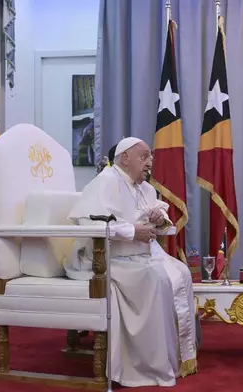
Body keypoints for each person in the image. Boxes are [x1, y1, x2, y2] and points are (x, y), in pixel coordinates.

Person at [66, 137, 197, 387]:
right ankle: (145, 365)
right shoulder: (106, 181)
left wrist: (159, 219)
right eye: (145, 156)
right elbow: (90, 224)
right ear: (125, 158)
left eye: (151, 157)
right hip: (105, 259)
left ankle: (175, 358)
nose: (150, 162)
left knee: (181, 272)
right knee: (156, 277)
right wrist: (132, 231)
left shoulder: (144, 187)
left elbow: (158, 219)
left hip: (136, 255)